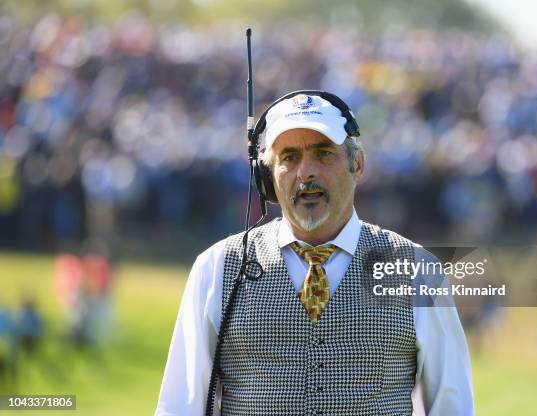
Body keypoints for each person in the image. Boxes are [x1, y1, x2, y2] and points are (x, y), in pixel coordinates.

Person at [156, 92, 474, 415]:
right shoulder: (217, 268)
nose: (305, 172)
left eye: (323, 154)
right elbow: (180, 405)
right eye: (289, 157)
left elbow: (453, 406)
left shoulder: (417, 270)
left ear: (358, 164)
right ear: (267, 176)